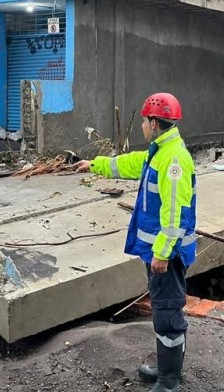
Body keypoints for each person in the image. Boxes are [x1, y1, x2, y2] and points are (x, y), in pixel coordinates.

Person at [75, 92, 196, 392]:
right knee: (162, 309)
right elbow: (130, 165)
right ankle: (167, 369)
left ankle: (169, 382)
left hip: (167, 255)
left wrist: (163, 253)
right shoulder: (161, 151)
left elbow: (174, 214)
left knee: (168, 313)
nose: (142, 125)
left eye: (144, 120)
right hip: (158, 252)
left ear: (154, 123)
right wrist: (95, 165)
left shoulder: (173, 160)